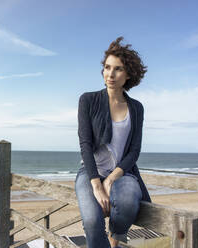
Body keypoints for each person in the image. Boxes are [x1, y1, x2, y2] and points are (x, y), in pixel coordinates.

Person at [74, 37, 151, 248]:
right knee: (91, 220)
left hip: (122, 173)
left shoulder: (137, 108)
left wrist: (111, 180)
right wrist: (98, 185)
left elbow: (134, 150)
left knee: (127, 201)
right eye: (107, 67)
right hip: (91, 173)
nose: (110, 74)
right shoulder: (88, 100)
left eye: (118, 69)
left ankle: (115, 238)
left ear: (128, 75)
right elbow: (85, 145)